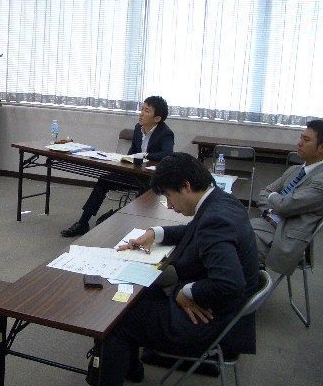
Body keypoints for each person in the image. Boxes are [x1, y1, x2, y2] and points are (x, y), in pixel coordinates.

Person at [92, 153, 259, 386]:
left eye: (169, 196)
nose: (169, 205)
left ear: (186, 186)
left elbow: (230, 283)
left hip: (212, 319)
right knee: (138, 293)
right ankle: (130, 369)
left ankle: (119, 372)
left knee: (114, 320)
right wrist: (156, 233)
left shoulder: (215, 220)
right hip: (225, 310)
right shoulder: (221, 201)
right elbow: (194, 231)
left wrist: (186, 292)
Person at [61, 96, 174, 237]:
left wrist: (145, 155)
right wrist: (123, 161)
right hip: (134, 174)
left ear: (157, 118)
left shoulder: (165, 133)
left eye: (146, 111)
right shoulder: (138, 128)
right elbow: (132, 153)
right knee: (104, 180)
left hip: (150, 179)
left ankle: (126, 225)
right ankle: (83, 223)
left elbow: (167, 154)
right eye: (142, 109)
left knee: (143, 195)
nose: (141, 113)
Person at [252, 119, 323, 275]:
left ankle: (249, 283)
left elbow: (285, 205)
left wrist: (275, 199)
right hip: (265, 223)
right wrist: (275, 206)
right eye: (301, 138)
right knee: (221, 230)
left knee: (229, 244)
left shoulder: (321, 180)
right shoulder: (295, 170)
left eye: (306, 140)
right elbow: (263, 193)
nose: (299, 143)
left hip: (283, 237)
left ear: (321, 149)